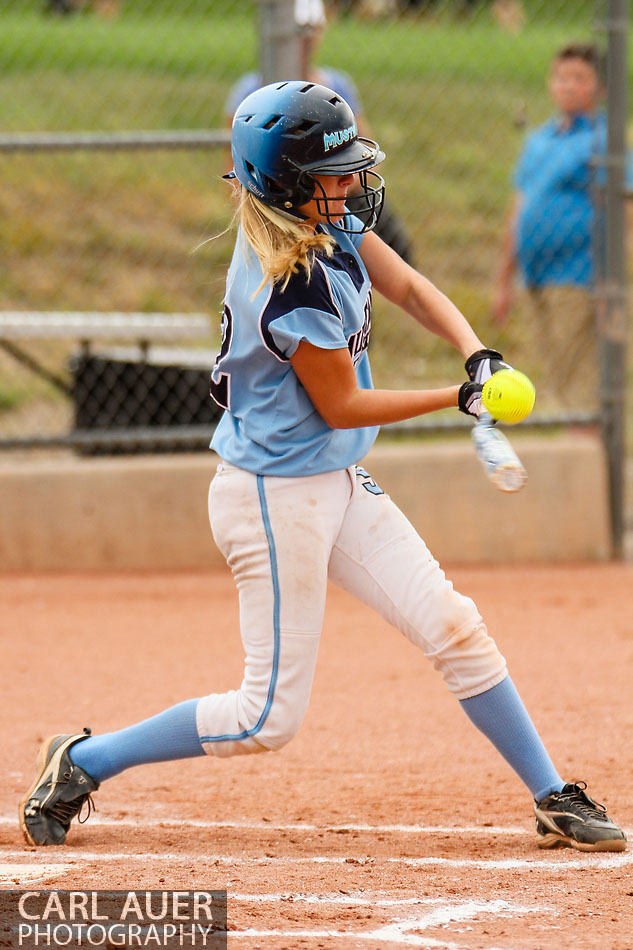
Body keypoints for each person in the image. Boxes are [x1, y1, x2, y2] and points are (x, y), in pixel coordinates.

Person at [19, 81, 626, 855]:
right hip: (273, 499)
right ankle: (81, 761)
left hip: (330, 480)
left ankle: (550, 795)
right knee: (264, 717)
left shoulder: (320, 223)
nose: (349, 185)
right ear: (286, 183)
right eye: (332, 172)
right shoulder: (290, 277)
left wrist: (473, 353)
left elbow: (404, 284)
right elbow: (340, 405)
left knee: (453, 626)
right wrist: (455, 397)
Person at [225, 0, 413, 263]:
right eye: (299, 30)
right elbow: (239, 173)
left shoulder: (337, 87)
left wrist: (334, 181)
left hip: (340, 198)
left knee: (397, 248)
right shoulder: (250, 95)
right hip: (282, 206)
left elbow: (365, 158)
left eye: (313, 29)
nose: (306, 39)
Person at [492, 42, 607, 408]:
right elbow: (517, 210)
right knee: (555, 375)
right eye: (560, 77)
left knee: (580, 380)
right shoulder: (539, 140)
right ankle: (576, 453)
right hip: (536, 276)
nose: (568, 86)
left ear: (601, 88)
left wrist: (611, 282)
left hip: (580, 278)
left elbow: (621, 217)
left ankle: (588, 458)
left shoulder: (603, 142)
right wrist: (503, 280)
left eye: (579, 78)